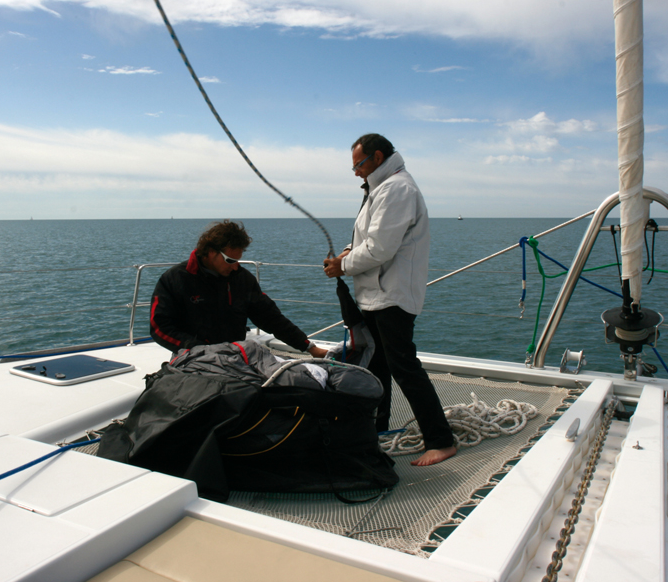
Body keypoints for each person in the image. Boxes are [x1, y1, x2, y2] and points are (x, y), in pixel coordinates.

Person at [323, 134, 456, 466]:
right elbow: (374, 240)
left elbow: (382, 248)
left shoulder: (397, 189)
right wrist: (348, 255)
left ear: (377, 157)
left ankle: (441, 439)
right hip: (377, 296)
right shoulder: (382, 188)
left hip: (391, 297)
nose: (355, 172)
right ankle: (376, 431)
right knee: (377, 368)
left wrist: (344, 265)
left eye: (358, 165)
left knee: (404, 368)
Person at [150, 220, 328, 359]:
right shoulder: (175, 279)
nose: (235, 267)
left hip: (234, 358)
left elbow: (271, 318)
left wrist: (309, 348)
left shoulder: (241, 280)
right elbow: (160, 327)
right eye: (230, 260)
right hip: (193, 358)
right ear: (211, 252)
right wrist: (199, 350)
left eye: (238, 260)